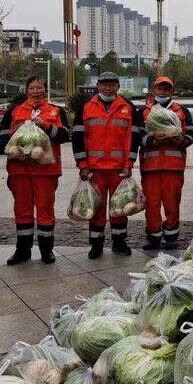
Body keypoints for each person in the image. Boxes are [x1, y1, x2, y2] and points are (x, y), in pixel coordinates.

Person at [0, 76, 70, 265]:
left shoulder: (56, 110)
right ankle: (23, 250)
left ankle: (47, 250)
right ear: (26, 90)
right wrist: (17, 134)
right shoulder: (14, 110)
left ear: (45, 90)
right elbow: (2, 135)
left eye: (39, 88)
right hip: (19, 169)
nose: (36, 91)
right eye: (32, 88)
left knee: (45, 210)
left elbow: (65, 135)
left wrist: (45, 126)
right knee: (22, 210)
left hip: (46, 170)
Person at [72, 72, 139, 259]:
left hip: (119, 169)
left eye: (112, 85)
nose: (108, 88)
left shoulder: (128, 107)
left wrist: (129, 163)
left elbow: (134, 137)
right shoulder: (85, 107)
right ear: (98, 86)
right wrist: (82, 165)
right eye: (104, 85)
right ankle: (96, 244)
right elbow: (77, 137)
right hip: (94, 169)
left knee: (120, 207)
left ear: (118, 86)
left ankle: (119, 242)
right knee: (96, 208)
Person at [139, 76, 193, 250]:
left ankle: (171, 236)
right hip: (150, 166)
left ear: (171, 91)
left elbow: (191, 134)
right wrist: (152, 140)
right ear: (154, 90)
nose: (163, 92)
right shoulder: (144, 111)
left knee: (172, 203)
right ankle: (153, 236)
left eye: (166, 89)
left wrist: (180, 139)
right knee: (152, 204)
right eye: (160, 88)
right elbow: (137, 135)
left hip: (173, 165)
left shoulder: (181, 111)